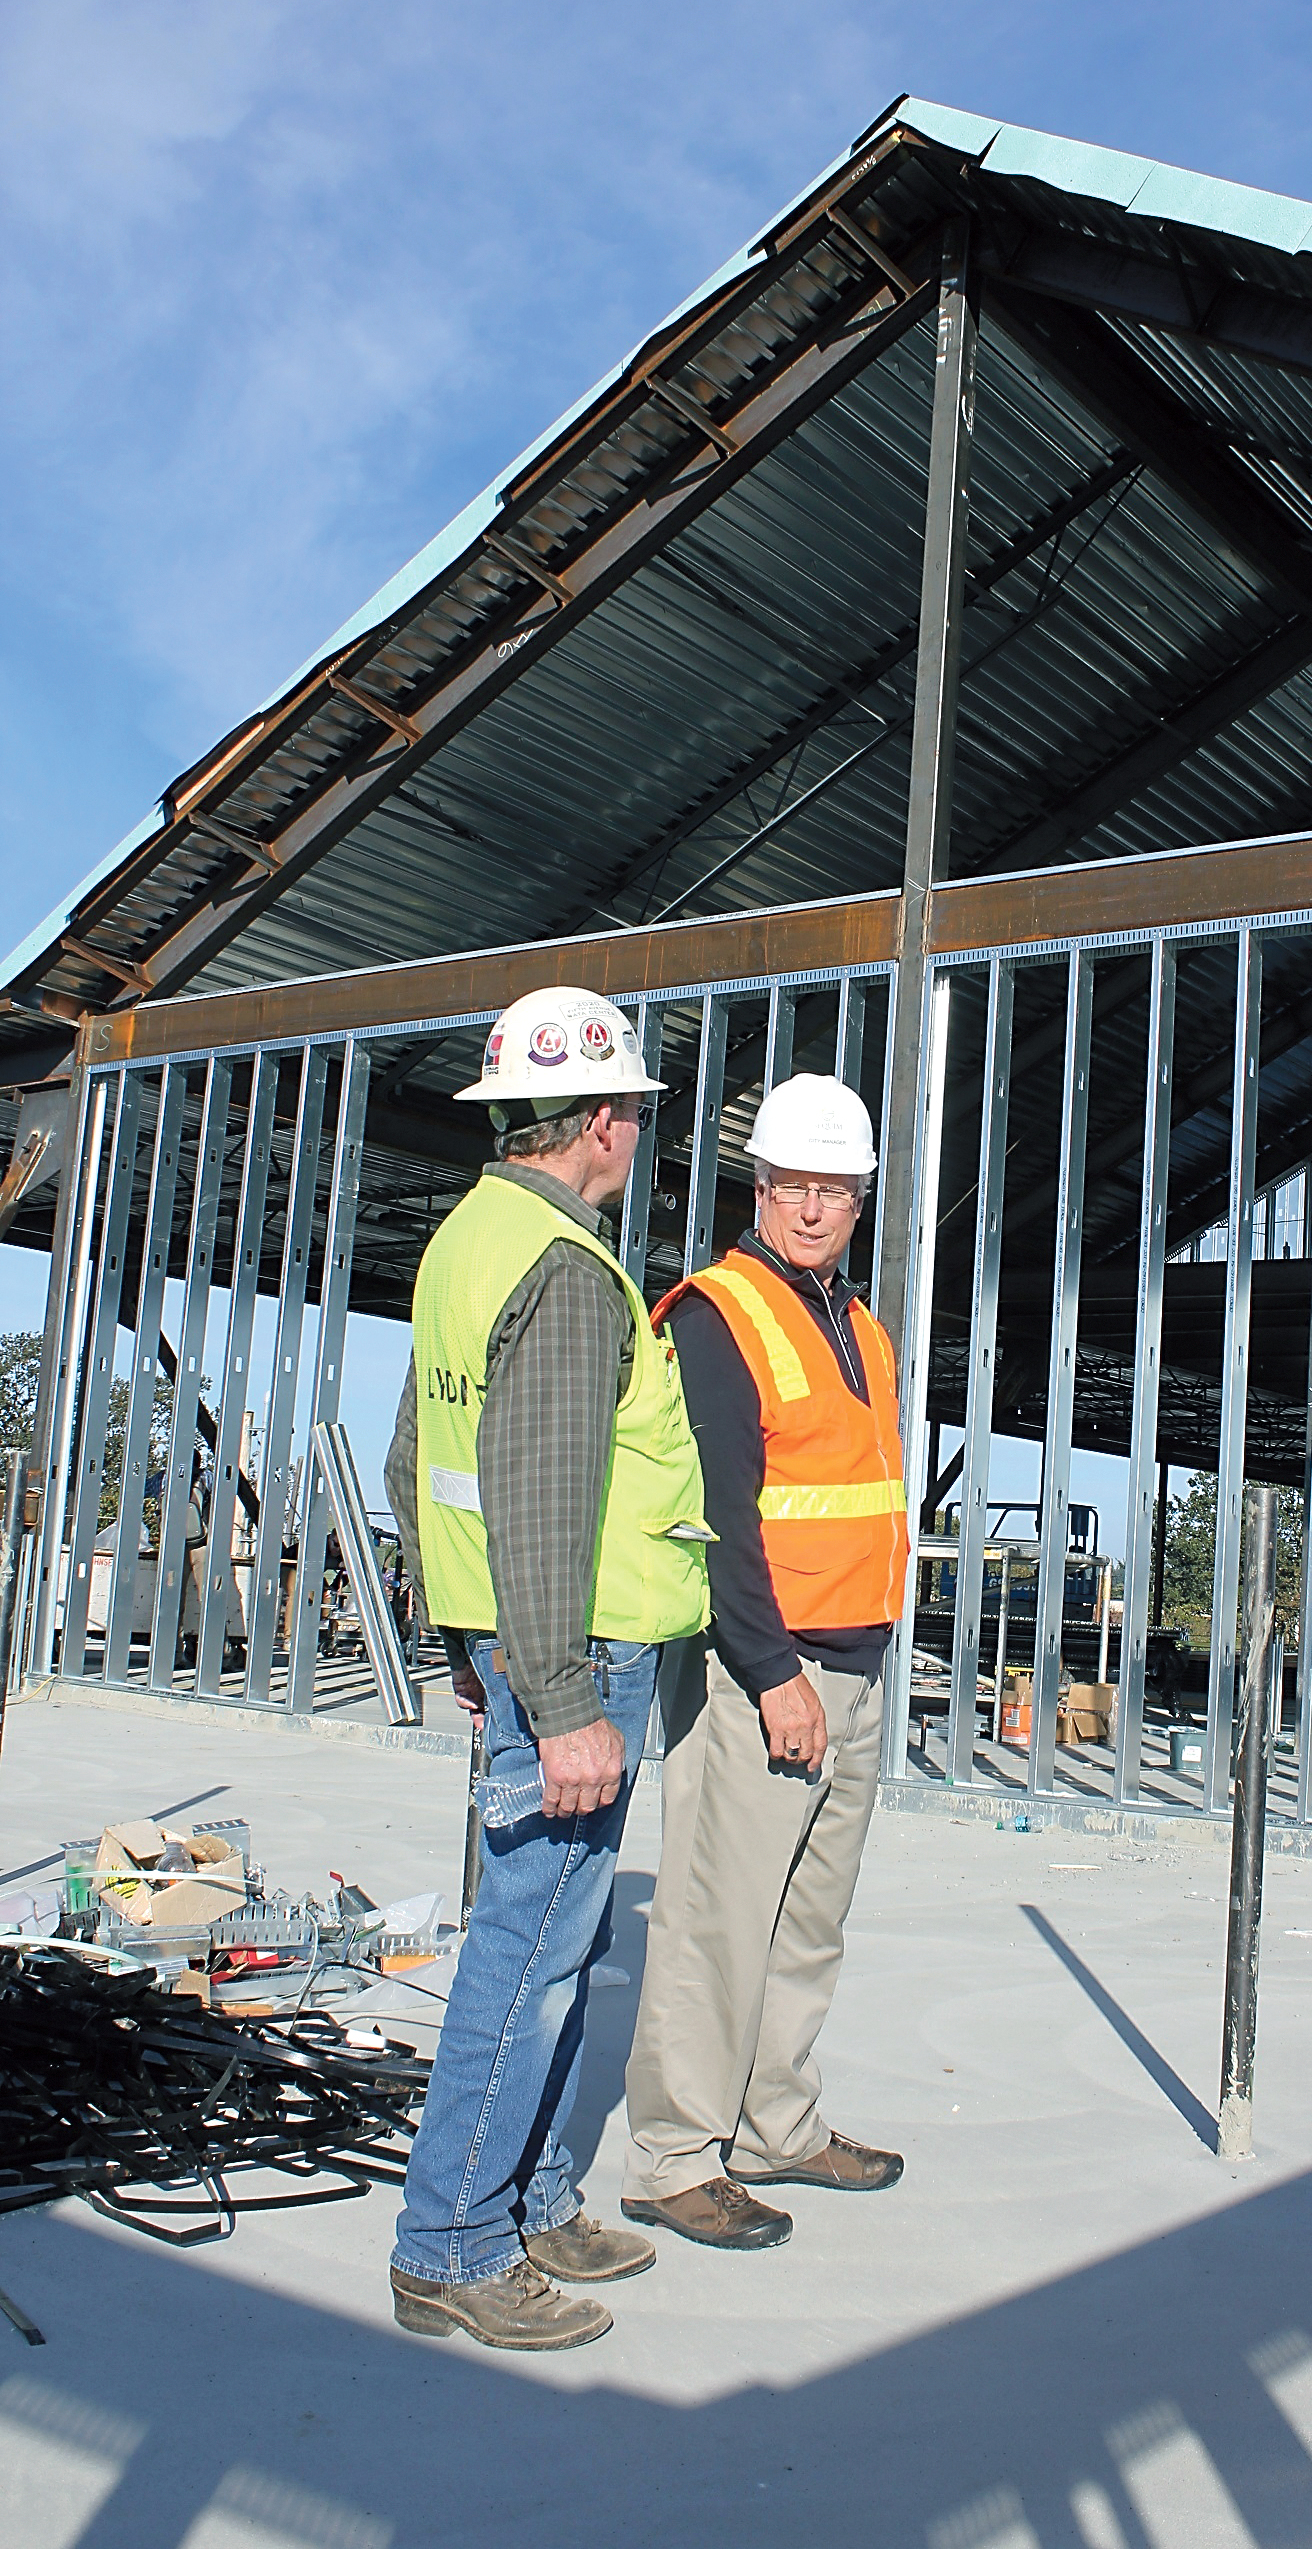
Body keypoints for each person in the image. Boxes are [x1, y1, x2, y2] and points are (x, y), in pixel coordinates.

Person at [383, 986, 712, 2350]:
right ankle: (450, 2240)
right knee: (527, 1952)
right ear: (599, 1123)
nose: (634, 1131)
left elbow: (417, 1466)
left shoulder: (469, 1242)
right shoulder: (573, 1272)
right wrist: (562, 1699)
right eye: (632, 1110)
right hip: (580, 1658)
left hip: (518, 1648)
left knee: (557, 1948)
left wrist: (464, 1642)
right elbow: (539, 1492)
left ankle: (527, 2200)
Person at [621, 1072, 909, 2251]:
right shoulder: (717, 1313)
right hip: (765, 1676)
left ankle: (778, 2121)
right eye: (795, 1184)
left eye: (835, 1189)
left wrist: (850, 1674)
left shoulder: (864, 1327)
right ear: (760, 1187)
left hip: (858, 1664)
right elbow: (721, 1520)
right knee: (715, 1918)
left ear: (858, 1201)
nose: (813, 1208)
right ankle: (676, 2159)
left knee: (808, 1922)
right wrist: (770, 1671)